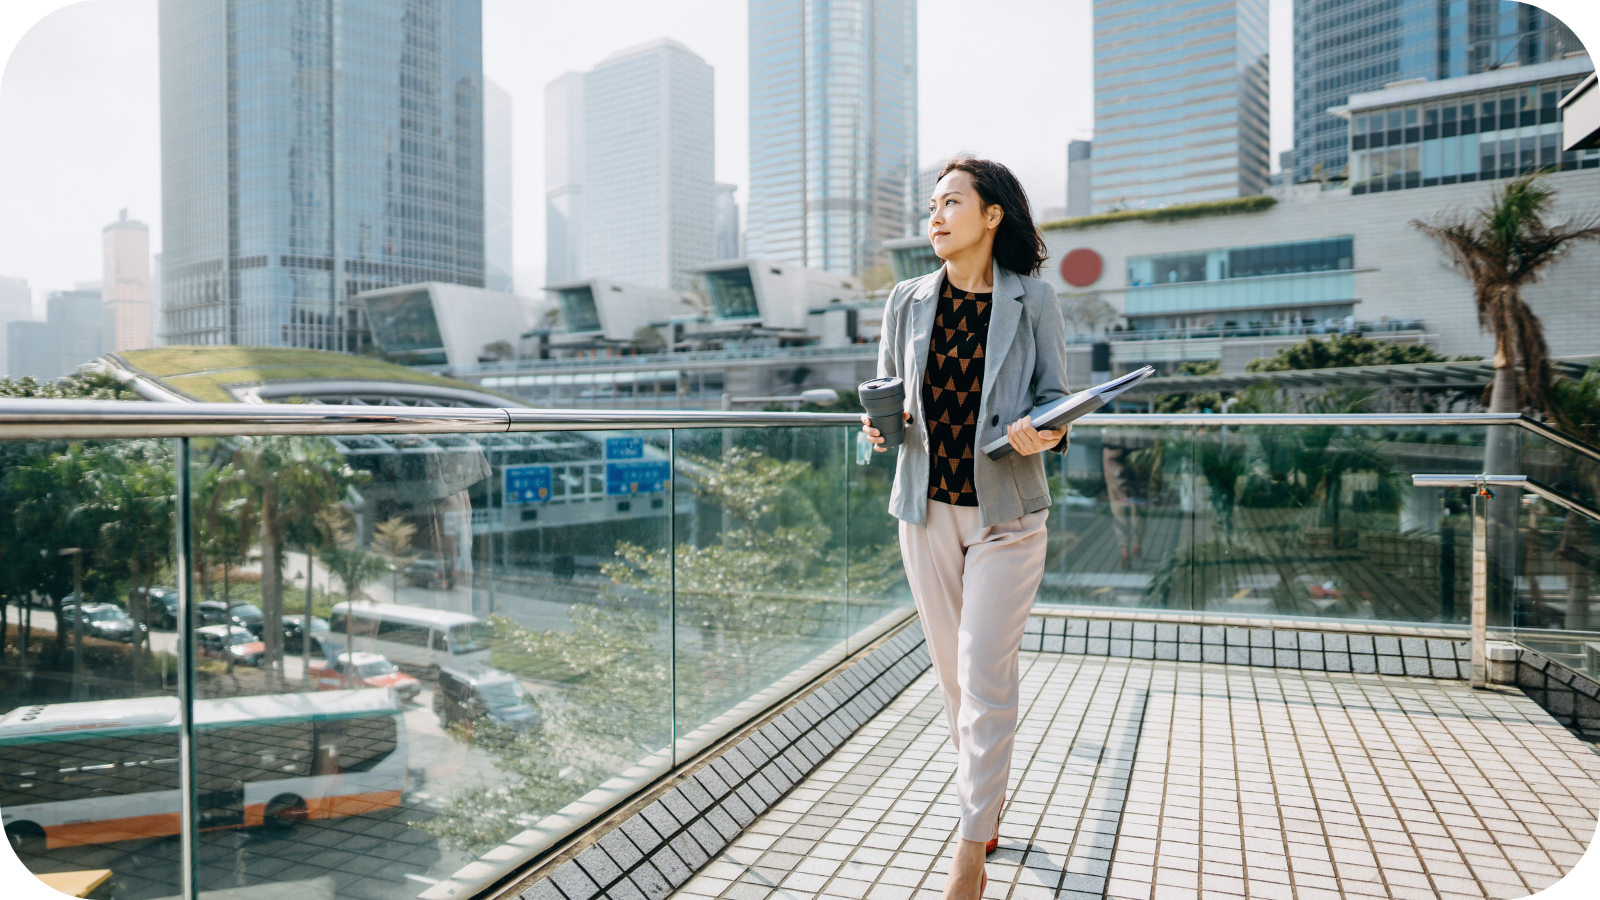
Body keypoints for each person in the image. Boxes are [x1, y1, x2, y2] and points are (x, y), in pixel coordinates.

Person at [861, 156, 1071, 900]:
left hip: (1008, 516)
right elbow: (885, 404)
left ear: (992, 216)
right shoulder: (906, 301)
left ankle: (968, 858)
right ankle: (988, 807)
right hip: (924, 513)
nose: (936, 216)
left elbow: (1056, 399)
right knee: (955, 684)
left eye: (952, 202)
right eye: (931, 205)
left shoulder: (1033, 300)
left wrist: (1042, 433)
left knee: (984, 676)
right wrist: (878, 432)